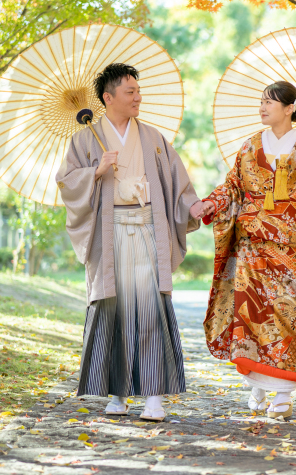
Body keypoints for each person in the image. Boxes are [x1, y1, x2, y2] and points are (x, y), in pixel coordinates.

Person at [56, 63, 203, 421]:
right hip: (111, 235)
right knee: (115, 312)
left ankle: (154, 397)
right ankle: (118, 395)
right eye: (130, 92)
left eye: (138, 91)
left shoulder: (153, 138)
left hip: (148, 229)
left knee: (152, 309)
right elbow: (66, 182)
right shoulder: (84, 140)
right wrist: (96, 171)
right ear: (108, 98)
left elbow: (178, 184)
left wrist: (195, 207)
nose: (138, 97)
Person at [197, 80, 296, 419]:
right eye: (261, 101)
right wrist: (211, 203)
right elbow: (233, 186)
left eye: (270, 102)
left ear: (290, 108)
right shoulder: (250, 146)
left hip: (292, 248)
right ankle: (259, 385)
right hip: (253, 248)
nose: (262, 107)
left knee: (290, 317)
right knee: (252, 318)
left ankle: (284, 394)